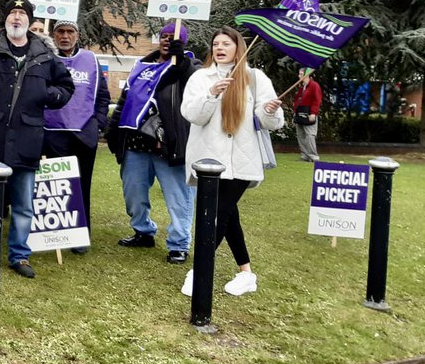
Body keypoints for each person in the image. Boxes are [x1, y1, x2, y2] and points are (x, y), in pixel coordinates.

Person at [0, 0, 75, 278]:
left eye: (21, 14)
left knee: (24, 203)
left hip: (27, 138)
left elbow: (65, 86)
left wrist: (48, 95)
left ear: (28, 20)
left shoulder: (43, 53)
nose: (16, 17)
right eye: (12, 12)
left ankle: (19, 255)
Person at [180, 27, 284, 296]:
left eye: (226, 43)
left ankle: (200, 269)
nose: (220, 48)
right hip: (209, 160)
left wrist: (271, 110)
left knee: (219, 213)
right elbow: (192, 114)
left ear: (239, 47)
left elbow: (269, 120)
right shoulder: (201, 77)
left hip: (242, 160)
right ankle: (247, 273)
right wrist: (212, 94)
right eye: (216, 44)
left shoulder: (254, 77)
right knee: (228, 215)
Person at [106, 23, 200, 264]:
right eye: (164, 36)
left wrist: (181, 60)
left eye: (174, 37)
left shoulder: (190, 66)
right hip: (136, 142)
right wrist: (113, 131)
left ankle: (179, 243)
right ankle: (143, 231)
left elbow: (195, 84)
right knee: (133, 193)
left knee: (178, 197)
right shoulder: (141, 66)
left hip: (168, 143)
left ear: (183, 42)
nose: (168, 40)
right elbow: (126, 100)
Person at [41, 20, 111, 254]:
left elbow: (102, 96)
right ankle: (59, 234)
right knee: (59, 186)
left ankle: (81, 235)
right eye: (60, 32)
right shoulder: (45, 57)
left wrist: (97, 123)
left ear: (78, 35)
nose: (65, 36)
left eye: (70, 32)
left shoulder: (91, 60)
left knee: (82, 186)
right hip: (53, 131)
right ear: (54, 35)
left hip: (83, 132)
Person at [293, 68, 322, 162]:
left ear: (307, 75)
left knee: (310, 135)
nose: (299, 76)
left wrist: (313, 113)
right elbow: (297, 100)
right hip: (300, 113)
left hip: (309, 113)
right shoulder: (302, 87)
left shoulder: (314, 86)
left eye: (301, 74)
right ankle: (304, 155)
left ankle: (313, 156)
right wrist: (295, 112)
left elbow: (317, 100)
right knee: (300, 135)